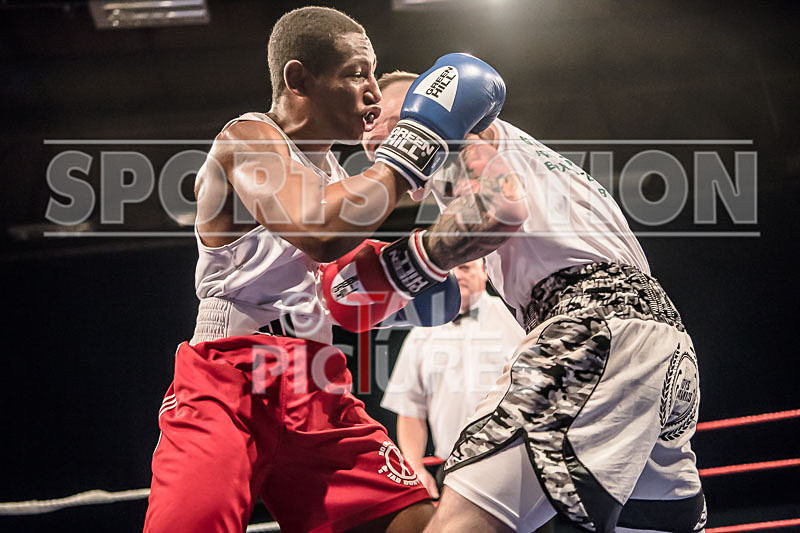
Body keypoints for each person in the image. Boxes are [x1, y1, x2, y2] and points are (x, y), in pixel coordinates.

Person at [143, 7, 505, 533]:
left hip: (316, 379)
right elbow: (317, 230)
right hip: (227, 379)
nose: (375, 93)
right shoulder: (247, 139)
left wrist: (425, 261)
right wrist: (414, 148)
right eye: (358, 72)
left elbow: (343, 288)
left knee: (423, 526)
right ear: (299, 79)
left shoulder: (335, 175)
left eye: (374, 74)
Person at [359, 71, 707, 532]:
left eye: (374, 112)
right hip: (663, 342)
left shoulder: (459, 130)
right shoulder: (529, 158)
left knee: (456, 525)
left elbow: (498, 209)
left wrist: (402, 265)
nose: (365, 129)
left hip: (590, 328)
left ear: (421, 98)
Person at [380, 259, 525, 499]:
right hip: (452, 471)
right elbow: (410, 409)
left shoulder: (515, 321)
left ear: (485, 272)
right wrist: (414, 467)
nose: (457, 275)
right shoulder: (421, 333)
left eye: (466, 267)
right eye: (450, 269)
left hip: (515, 465)